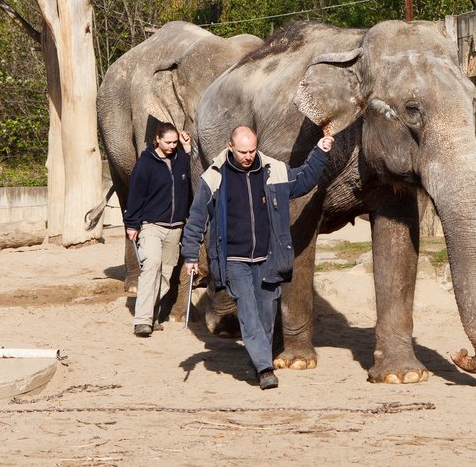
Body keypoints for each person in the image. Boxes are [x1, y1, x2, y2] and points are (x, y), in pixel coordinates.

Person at [181, 126, 333, 390]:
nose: (249, 156)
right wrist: (191, 255)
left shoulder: (273, 170)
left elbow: (305, 181)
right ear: (230, 147)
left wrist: (320, 152)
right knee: (248, 312)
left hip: (268, 258)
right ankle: (265, 368)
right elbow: (196, 219)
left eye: (252, 150)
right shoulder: (214, 178)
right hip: (233, 261)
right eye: (243, 152)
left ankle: (255, 362)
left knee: (265, 314)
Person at [124, 122, 192, 338]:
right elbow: (135, 195)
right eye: (168, 142)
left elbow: (192, 169)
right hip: (151, 226)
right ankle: (142, 321)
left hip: (175, 228)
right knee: (151, 265)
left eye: (175, 142)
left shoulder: (180, 160)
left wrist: (187, 147)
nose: (172, 146)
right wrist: (132, 224)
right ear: (157, 140)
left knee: (166, 273)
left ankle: (152, 312)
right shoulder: (145, 164)